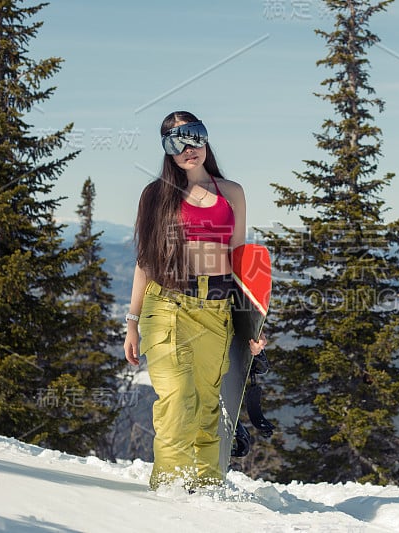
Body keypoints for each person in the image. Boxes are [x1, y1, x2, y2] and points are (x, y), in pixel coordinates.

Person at [123, 110, 266, 490]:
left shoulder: (230, 192)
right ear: (167, 151)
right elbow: (144, 262)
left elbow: (240, 265)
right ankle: (170, 491)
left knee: (206, 407)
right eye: (176, 141)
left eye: (194, 136)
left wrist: (250, 325)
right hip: (168, 305)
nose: (188, 148)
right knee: (177, 401)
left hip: (216, 311)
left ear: (205, 139)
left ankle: (206, 493)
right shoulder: (156, 196)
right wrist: (132, 322)